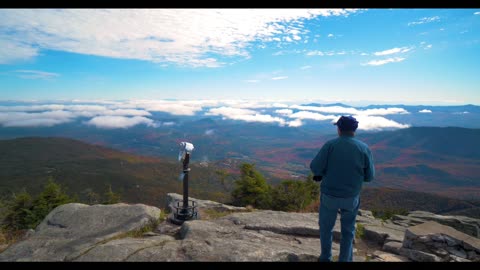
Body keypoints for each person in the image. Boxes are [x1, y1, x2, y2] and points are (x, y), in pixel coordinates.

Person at [310, 115, 375, 262]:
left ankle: (326, 258)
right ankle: (345, 259)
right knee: (348, 231)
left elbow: (315, 167)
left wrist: (322, 174)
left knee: (326, 229)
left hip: (329, 196)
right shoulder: (364, 148)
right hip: (351, 197)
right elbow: (369, 176)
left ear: (339, 129)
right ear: (354, 130)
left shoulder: (330, 145)